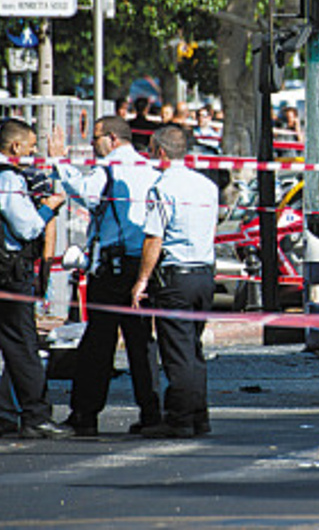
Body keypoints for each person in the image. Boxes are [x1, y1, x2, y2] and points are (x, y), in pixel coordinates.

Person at [49, 116, 162, 437]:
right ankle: (151, 413)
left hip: (112, 269)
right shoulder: (149, 169)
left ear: (112, 138)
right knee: (141, 343)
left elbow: (83, 191)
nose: (91, 146)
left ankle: (85, 414)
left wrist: (60, 161)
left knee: (98, 342)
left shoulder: (110, 169)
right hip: (142, 265)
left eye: (95, 139)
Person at [0, 118, 71, 440]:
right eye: (29, 147)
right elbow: (27, 227)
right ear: (15, 147)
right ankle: (35, 415)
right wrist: (49, 209)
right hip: (6, 275)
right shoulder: (8, 178)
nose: (32, 152)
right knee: (23, 348)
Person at [131, 124, 218, 438]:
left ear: (160, 152)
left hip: (176, 278)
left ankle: (179, 419)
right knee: (192, 349)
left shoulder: (161, 188)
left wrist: (141, 280)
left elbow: (154, 238)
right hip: (204, 275)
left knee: (178, 354)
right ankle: (198, 416)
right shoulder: (207, 186)